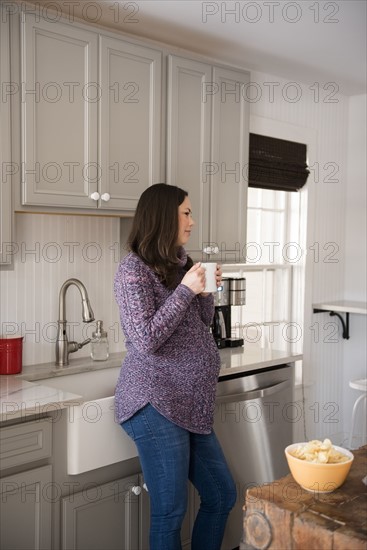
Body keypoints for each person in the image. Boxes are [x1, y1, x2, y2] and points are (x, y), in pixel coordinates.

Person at [114, 183, 236, 550]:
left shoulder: (181, 262)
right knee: (170, 512)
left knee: (221, 495)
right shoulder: (132, 271)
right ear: (164, 217)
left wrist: (206, 290)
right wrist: (185, 289)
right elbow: (146, 339)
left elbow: (199, 322)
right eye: (186, 213)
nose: (193, 221)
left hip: (189, 404)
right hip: (154, 403)